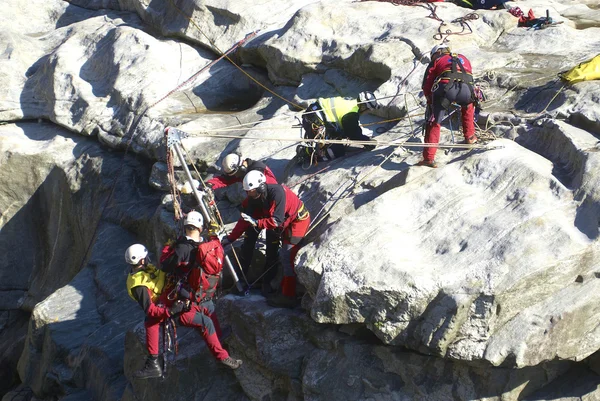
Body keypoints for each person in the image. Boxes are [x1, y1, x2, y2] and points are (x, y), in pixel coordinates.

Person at [146, 211, 242, 377]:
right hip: (202, 293)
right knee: (209, 311)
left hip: (184, 299)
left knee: (206, 323)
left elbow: (166, 266)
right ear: (201, 227)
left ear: (185, 227)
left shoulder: (182, 248)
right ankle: (218, 343)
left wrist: (169, 248)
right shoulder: (205, 243)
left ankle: (222, 356)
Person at [222, 171, 310, 308]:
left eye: (251, 191)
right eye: (247, 192)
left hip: (297, 221)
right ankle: (279, 288)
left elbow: (276, 220)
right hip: (283, 224)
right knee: (280, 255)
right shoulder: (254, 198)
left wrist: (257, 223)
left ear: (261, 187)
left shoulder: (277, 193)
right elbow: (244, 220)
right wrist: (231, 238)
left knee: (287, 257)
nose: (249, 195)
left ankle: (288, 296)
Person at [207, 154, 280, 292]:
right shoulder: (243, 172)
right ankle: (241, 279)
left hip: (270, 213)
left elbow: (271, 198)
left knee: (272, 248)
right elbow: (225, 179)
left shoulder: (263, 176)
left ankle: (267, 284)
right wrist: (210, 185)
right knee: (247, 246)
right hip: (257, 208)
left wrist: (231, 237)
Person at [419, 44, 478, 168]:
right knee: (468, 108)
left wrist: (430, 100)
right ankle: (470, 137)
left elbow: (427, 83)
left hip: (446, 89)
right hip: (467, 89)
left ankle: (428, 158)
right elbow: (469, 75)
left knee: (434, 121)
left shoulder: (437, 60)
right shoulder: (463, 57)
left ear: (437, 53)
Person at [125, 243, 172, 379]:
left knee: (151, 321)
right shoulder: (138, 285)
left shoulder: (143, 270)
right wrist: (170, 311)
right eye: (145, 257)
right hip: (164, 299)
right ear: (141, 260)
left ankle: (153, 362)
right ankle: (153, 362)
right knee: (151, 321)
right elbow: (150, 310)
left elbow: (158, 276)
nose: (148, 259)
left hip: (166, 290)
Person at [299, 91, 379, 163]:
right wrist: (368, 142)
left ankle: (315, 148)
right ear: (363, 107)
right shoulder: (351, 113)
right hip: (315, 122)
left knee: (338, 135)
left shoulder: (350, 100)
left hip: (311, 114)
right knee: (337, 151)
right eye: (368, 110)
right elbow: (353, 133)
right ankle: (308, 153)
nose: (367, 112)